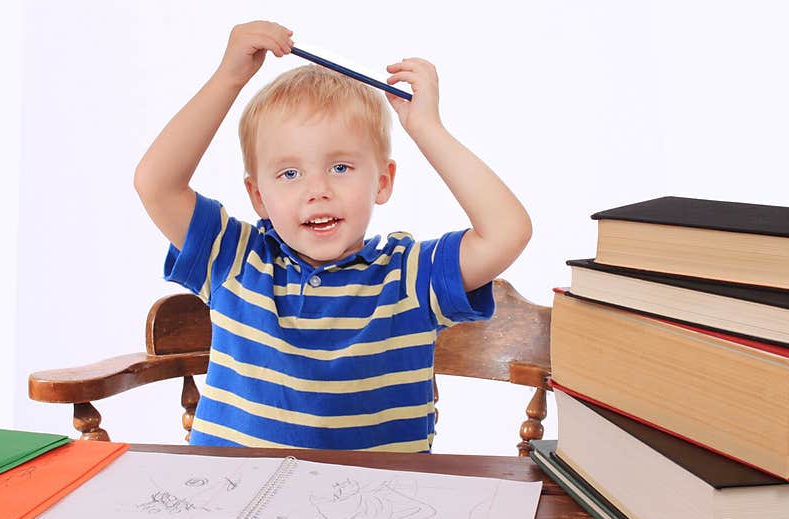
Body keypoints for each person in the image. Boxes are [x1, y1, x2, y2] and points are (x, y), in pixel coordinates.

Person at [133, 20, 532, 450]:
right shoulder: (234, 258)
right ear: (259, 197)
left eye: (340, 167)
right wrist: (229, 77)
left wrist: (427, 129)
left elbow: (507, 232)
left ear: (382, 181)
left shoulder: (411, 277)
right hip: (230, 506)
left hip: (375, 510)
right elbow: (156, 184)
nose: (317, 190)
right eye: (289, 173)